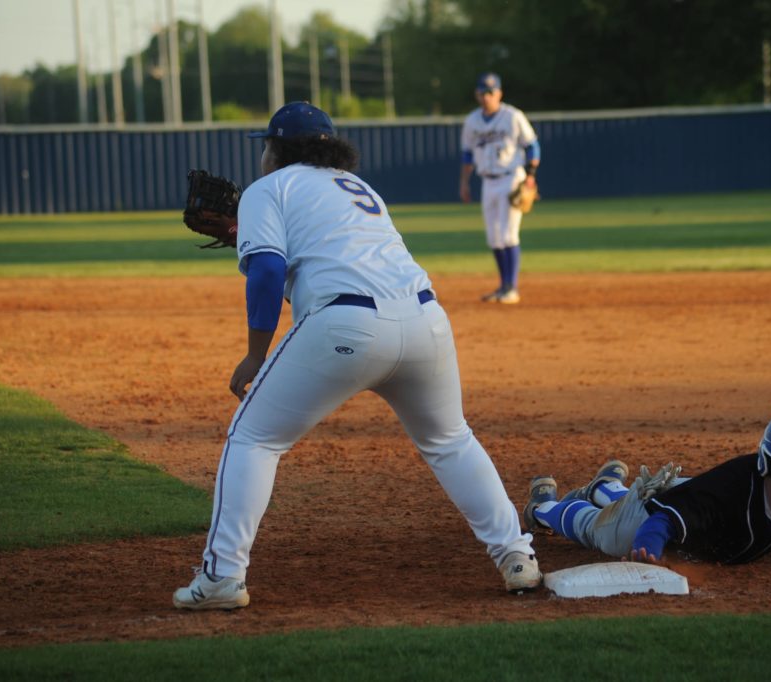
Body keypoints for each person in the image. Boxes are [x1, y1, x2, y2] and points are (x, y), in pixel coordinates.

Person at [173, 102, 541, 610]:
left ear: (277, 149)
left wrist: (256, 354)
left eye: (267, 145)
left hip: (346, 327)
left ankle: (221, 577)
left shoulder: (267, 188)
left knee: (254, 438)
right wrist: (251, 234)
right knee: (450, 439)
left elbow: (267, 273)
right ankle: (516, 555)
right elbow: (332, 253)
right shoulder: (359, 188)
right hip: (426, 322)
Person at [521, 408, 771, 565]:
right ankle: (542, 507)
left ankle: (605, 487)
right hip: (647, 521)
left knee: (639, 499)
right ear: (769, 461)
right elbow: (662, 521)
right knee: (597, 528)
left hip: (684, 496)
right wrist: (646, 551)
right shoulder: (729, 492)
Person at [459, 72, 540, 305]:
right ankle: (503, 286)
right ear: (477, 94)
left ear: (499, 93)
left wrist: (530, 176)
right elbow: (467, 154)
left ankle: (511, 288)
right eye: (482, 92)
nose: (486, 97)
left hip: (511, 178)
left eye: (490, 92)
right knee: (494, 237)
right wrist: (464, 182)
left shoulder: (513, 116)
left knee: (508, 234)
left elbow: (532, 146)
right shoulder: (472, 121)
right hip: (488, 181)